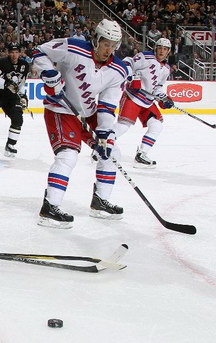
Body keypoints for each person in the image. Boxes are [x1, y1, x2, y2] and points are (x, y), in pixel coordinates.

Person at [32, 19, 129, 229]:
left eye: (113, 45)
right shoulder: (73, 47)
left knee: (111, 150)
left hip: (89, 111)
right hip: (61, 108)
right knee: (68, 155)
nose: (109, 49)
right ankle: (50, 207)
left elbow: (107, 103)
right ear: (96, 39)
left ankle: (100, 201)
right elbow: (40, 52)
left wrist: (103, 133)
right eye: (105, 43)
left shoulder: (118, 70)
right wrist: (48, 73)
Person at [114, 38, 173, 169]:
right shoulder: (145, 57)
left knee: (157, 125)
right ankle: (101, 146)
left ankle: (141, 154)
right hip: (133, 96)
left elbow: (157, 88)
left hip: (147, 101)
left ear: (168, 51)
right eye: (160, 48)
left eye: (165, 49)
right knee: (123, 126)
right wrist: (132, 78)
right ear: (156, 48)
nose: (162, 51)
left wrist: (164, 98)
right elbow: (127, 62)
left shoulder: (166, 69)